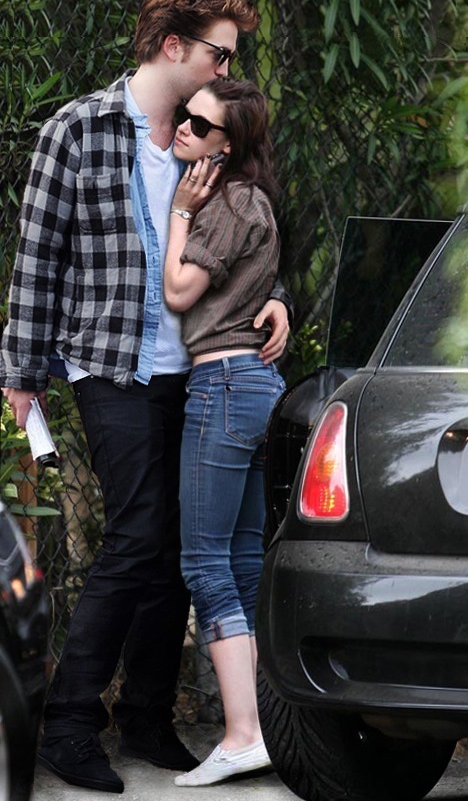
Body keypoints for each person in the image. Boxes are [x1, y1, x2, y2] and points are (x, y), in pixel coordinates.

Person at [0, 0, 292, 795]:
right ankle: (67, 724)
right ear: (173, 45)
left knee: (174, 546)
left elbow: (248, 236)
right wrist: (21, 374)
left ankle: (149, 717)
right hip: (113, 366)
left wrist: (276, 296)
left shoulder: (214, 135)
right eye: (218, 54)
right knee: (136, 536)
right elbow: (38, 256)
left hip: (199, 374)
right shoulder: (78, 129)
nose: (227, 70)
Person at [163, 76, 286, 787]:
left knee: (205, 563)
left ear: (228, 145)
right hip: (252, 388)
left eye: (200, 125)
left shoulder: (227, 202)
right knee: (240, 562)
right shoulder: (252, 199)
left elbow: (180, 290)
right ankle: (264, 730)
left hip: (225, 384)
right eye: (184, 116)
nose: (184, 127)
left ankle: (240, 733)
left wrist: (181, 213)